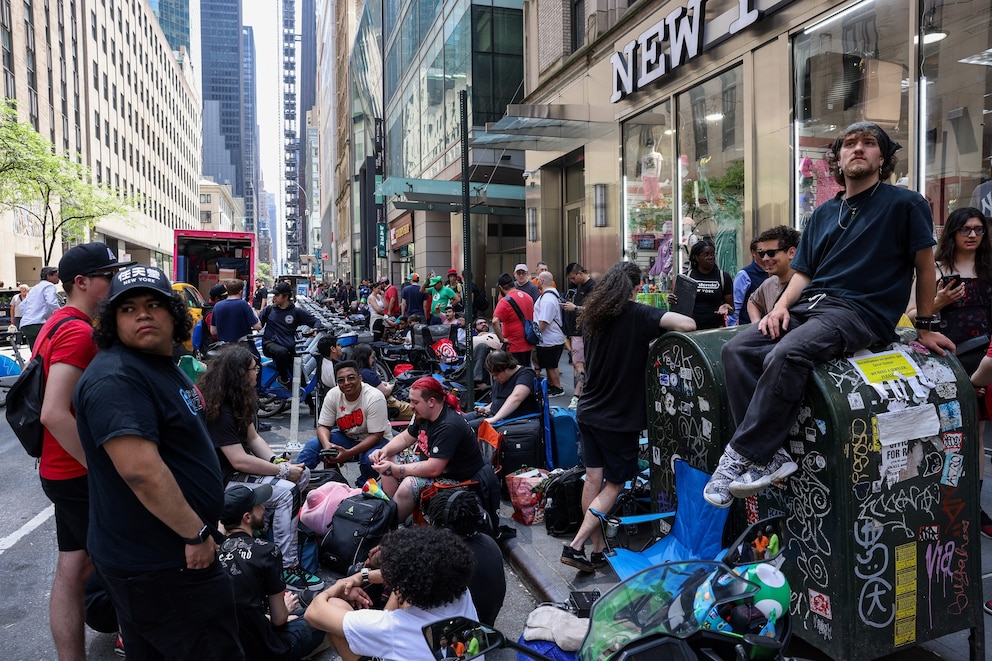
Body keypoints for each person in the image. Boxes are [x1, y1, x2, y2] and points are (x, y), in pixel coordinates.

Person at [703, 122, 953, 508]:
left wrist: (926, 325)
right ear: (837, 157)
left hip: (860, 313)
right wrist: (780, 307)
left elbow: (925, 265)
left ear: (882, 158)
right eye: (850, 143)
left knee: (786, 354)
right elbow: (802, 273)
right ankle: (773, 456)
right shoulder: (822, 214)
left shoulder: (906, 203)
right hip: (812, 306)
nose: (858, 149)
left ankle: (738, 456)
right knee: (737, 350)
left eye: (869, 144)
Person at [74, 264, 244, 659]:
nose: (143, 314)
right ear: (112, 322)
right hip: (162, 562)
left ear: (175, 313)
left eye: (154, 304)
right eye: (128, 309)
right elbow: (140, 472)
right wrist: (194, 533)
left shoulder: (157, 365)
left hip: (163, 557)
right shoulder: (116, 378)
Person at [560, 261, 695, 572]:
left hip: (588, 410)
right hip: (617, 418)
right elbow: (688, 325)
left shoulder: (595, 316)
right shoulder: (638, 313)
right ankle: (576, 544)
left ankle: (597, 549)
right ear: (634, 288)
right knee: (615, 484)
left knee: (593, 478)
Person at [36, 243, 134, 660]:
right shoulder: (77, 331)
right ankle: (130, 638)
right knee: (125, 563)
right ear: (82, 282)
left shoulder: (59, 322)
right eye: (107, 276)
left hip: (61, 472)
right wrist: (101, 469)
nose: (114, 284)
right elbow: (54, 413)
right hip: (77, 475)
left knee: (73, 568)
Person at [199, 345, 323, 591]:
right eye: (254, 369)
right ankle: (288, 567)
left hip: (238, 472)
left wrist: (278, 462)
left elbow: (254, 439)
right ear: (241, 375)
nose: (258, 373)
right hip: (225, 481)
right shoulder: (220, 410)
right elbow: (238, 460)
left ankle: (267, 532)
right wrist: (283, 472)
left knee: (303, 475)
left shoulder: (238, 401)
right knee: (287, 491)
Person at [304, 526, 478, 661]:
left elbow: (313, 613)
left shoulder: (392, 627)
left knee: (333, 604)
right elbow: (415, 575)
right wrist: (362, 576)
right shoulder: (460, 591)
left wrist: (338, 586)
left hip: (397, 636)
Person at [217, 484, 328, 661]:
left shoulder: (211, 554)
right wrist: (285, 608)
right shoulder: (266, 552)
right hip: (263, 649)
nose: (264, 508)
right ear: (247, 517)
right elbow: (279, 619)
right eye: (259, 506)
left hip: (229, 644)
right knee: (323, 618)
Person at [370, 376, 490, 521]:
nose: (410, 406)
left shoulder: (448, 425)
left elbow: (434, 469)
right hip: (433, 463)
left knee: (409, 485)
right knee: (387, 459)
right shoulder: (424, 414)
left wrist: (396, 470)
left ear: (431, 402)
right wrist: (384, 451)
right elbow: (406, 437)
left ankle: (390, 524)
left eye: (415, 402)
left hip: (456, 479)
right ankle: (390, 509)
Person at [297, 361, 393, 481]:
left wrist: (348, 453)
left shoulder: (374, 397)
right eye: (341, 380)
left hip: (376, 440)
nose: (346, 383)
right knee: (313, 446)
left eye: (351, 378)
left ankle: (365, 489)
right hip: (348, 437)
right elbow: (323, 426)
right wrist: (327, 446)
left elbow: (376, 436)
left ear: (360, 378)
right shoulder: (333, 394)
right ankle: (297, 479)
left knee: (369, 460)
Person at [426, 489, 506, 626]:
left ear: (446, 528)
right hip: (485, 623)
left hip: (462, 632)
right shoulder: (489, 542)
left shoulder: (447, 557)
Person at [260, 281, 324, 387]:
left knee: (301, 382)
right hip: (270, 345)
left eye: (277, 295)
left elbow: (315, 321)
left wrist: (315, 329)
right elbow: (258, 324)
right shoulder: (269, 309)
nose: (274, 297)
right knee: (282, 352)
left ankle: (307, 401)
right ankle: (283, 379)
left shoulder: (296, 312)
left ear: (285, 297)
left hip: (289, 350)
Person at [463, 350, 540, 430]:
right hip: (493, 414)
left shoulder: (526, 374)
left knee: (464, 428)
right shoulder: (502, 378)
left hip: (509, 419)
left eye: (496, 374)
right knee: (459, 420)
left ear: (506, 368)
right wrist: (487, 408)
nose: (494, 378)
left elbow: (516, 398)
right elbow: (500, 400)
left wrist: (495, 418)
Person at [746, 226, 801, 322]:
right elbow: (752, 302)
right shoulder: (768, 284)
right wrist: (756, 325)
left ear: (791, 252)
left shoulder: (809, 283)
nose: (765, 258)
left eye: (771, 253)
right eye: (762, 254)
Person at [561, 263, 596, 410]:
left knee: (581, 364)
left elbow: (596, 308)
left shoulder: (593, 287)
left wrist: (575, 308)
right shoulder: (579, 287)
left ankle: (577, 396)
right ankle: (579, 395)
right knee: (578, 364)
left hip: (586, 332)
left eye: (574, 278)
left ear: (580, 273)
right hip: (577, 332)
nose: (573, 281)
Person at [350, 344, 414, 421]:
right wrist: (391, 385)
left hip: (362, 407)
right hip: (381, 405)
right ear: (366, 358)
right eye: (371, 357)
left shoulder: (353, 371)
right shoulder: (367, 374)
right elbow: (385, 392)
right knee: (414, 413)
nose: (373, 360)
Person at [686, 239, 734, 330]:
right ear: (697, 258)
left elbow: (731, 308)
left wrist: (726, 307)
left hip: (715, 329)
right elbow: (680, 306)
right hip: (691, 328)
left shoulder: (723, 277)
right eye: (706, 255)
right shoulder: (687, 277)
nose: (711, 257)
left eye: (712, 254)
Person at [491, 272, 535, 367]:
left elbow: (495, 321)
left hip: (513, 345)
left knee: (515, 374)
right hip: (528, 342)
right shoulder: (528, 297)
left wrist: (501, 339)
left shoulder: (505, 301)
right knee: (526, 371)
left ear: (501, 288)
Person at [534, 271, 566, 396]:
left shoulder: (547, 298)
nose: (537, 282)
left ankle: (557, 388)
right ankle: (552, 386)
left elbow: (544, 320)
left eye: (538, 280)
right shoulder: (552, 294)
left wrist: (536, 334)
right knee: (549, 364)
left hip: (549, 338)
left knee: (551, 365)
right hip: (552, 337)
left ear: (542, 281)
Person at [18, 266, 62, 347]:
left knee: (36, 353)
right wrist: (61, 314)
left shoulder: (34, 288)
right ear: (49, 276)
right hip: (39, 323)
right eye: (56, 275)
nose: (58, 278)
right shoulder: (49, 286)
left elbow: (21, 305)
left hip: (26, 324)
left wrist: (29, 315)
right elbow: (52, 302)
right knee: (53, 346)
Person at [211, 278, 262, 347]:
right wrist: (255, 313)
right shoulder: (243, 305)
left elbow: (213, 331)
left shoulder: (217, 306)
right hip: (242, 348)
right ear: (240, 292)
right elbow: (257, 326)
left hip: (223, 349)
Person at [731, 238, 770, 326]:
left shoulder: (774, 272)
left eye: (769, 252)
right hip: (748, 325)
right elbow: (736, 305)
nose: (766, 256)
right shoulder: (744, 275)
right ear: (753, 253)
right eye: (761, 252)